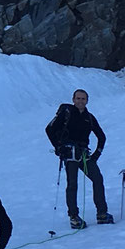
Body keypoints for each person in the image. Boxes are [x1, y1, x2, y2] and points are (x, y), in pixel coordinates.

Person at [45, 89, 112, 227]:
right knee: (72, 184)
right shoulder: (66, 113)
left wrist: (96, 155)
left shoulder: (89, 117)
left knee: (97, 179)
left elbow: (101, 136)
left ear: (87, 101)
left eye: (83, 99)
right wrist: (59, 147)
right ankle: (74, 217)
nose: (80, 101)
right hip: (70, 154)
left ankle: (101, 213)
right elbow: (49, 129)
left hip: (82, 154)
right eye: (78, 98)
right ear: (73, 99)